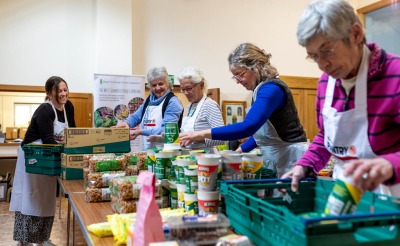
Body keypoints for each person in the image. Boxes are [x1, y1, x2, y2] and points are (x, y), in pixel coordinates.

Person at [281, 0, 400, 195]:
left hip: (392, 197)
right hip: (345, 195)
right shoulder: (325, 83)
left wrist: (390, 165)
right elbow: (327, 136)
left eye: (327, 51)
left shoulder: (395, 75)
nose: (322, 65)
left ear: (355, 34)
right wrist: (304, 165)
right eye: (313, 56)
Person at [180, 43, 308, 177]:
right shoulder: (259, 90)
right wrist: (238, 152)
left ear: (256, 67)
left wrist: (201, 134)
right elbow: (262, 135)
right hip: (279, 157)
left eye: (239, 74)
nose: (238, 81)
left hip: (292, 158)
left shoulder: (271, 89)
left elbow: (248, 127)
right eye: (235, 76)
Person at [10, 76, 76, 246]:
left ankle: (42, 238)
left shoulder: (68, 107)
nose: (63, 94)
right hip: (33, 157)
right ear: (48, 93)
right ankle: (24, 241)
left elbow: (73, 133)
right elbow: (48, 139)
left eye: (64, 90)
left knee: (46, 199)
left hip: (50, 159)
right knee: (30, 198)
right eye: (58, 91)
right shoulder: (44, 110)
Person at [148, 67, 226, 150]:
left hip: (205, 158)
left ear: (201, 85)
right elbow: (185, 137)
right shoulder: (190, 107)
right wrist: (165, 138)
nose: (186, 93)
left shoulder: (210, 105)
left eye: (189, 88)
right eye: (183, 89)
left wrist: (196, 138)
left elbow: (221, 138)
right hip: (190, 157)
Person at [112, 67, 184, 150]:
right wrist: (126, 123)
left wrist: (140, 132)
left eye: (161, 84)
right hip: (148, 151)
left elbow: (165, 130)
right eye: (154, 85)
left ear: (167, 83)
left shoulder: (173, 102)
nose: (157, 88)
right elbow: (136, 117)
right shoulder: (149, 99)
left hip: (166, 153)